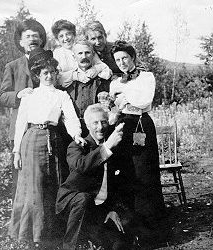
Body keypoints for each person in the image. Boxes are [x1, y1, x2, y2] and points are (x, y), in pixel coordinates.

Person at [8, 48, 84, 248]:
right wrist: (16, 151)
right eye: (45, 73)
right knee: (35, 187)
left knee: (55, 184)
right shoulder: (29, 95)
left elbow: (70, 118)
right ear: (38, 75)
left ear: (56, 73)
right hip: (32, 140)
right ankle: (34, 236)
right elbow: (21, 123)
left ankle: (54, 232)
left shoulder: (61, 95)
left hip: (55, 140)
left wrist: (76, 134)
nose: (49, 76)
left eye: (52, 72)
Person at [109, 40, 168, 246]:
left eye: (125, 57)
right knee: (127, 175)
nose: (122, 62)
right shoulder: (115, 82)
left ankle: (152, 235)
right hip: (124, 126)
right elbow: (114, 106)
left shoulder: (147, 76)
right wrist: (119, 101)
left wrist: (123, 98)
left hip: (142, 125)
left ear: (132, 57)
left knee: (146, 175)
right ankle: (130, 233)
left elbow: (144, 101)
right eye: (117, 59)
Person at [56, 103, 138, 250]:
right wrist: (106, 148)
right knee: (83, 199)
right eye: (95, 123)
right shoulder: (77, 146)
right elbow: (82, 166)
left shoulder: (113, 147)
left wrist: (113, 209)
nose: (100, 127)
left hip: (98, 208)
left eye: (103, 122)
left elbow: (116, 183)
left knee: (120, 242)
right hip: (72, 204)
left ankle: (94, 240)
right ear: (87, 125)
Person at [0, 19, 47, 200]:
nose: (32, 39)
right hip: (22, 130)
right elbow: (2, 96)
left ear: (41, 40)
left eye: (36, 36)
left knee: (46, 178)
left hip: (46, 131)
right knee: (20, 178)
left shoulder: (50, 64)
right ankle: (19, 223)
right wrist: (18, 94)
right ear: (20, 41)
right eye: (27, 36)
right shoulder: (13, 66)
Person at [66, 38, 111, 136]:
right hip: (74, 130)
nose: (84, 56)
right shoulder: (68, 81)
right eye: (80, 53)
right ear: (74, 57)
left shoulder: (103, 79)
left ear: (93, 55)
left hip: (98, 131)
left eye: (87, 53)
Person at [51, 19, 112, 88]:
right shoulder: (57, 54)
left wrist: (96, 69)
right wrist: (75, 75)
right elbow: (55, 77)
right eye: (61, 36)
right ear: (57, 39)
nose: (66, 38)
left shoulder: (84, 47)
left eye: (68, 34)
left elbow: (103, 67)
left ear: (73, 34)